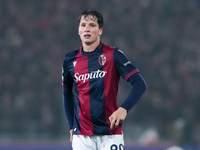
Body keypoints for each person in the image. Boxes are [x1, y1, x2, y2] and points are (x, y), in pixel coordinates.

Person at [62, 9, 146, 150]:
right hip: (82, 136)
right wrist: (71, 126)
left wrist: (124, 109)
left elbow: (140, 84)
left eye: (92, 25)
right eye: (83, 25)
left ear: (100, 31)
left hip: (110, 133)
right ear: (78, 31)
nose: (87, 29)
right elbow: (66, 93)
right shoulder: (70, 59)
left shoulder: (113, 55)